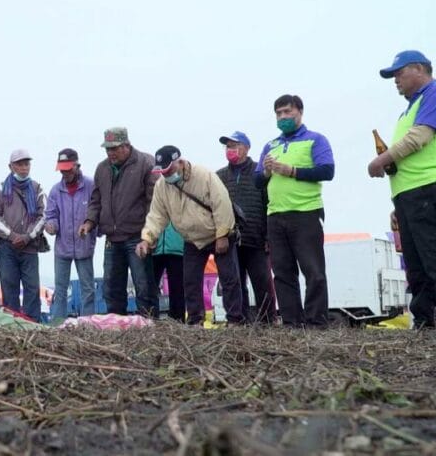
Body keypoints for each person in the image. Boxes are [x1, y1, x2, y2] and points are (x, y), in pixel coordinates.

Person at [368, 50, 436, 328]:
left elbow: (420, 137)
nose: (395, 80)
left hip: (432, 188)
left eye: (399, 73)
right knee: (417, 266)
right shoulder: (409, 110)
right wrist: (399, 202)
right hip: (411, 195)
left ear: (419, 69)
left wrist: (382, 159)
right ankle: (428, 322)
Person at [136, 146, 245, 326]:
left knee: (229, 278)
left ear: (179, 162)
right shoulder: (162, 186)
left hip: (217, 233)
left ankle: (235, 320)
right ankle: (195, 320)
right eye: (162, 171)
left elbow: (222, 203)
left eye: (168, 169)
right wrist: (147, 239)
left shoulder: (203, 176)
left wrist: (223, 235)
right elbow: (157, 216)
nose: (165, 174)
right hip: (192, 239)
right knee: (191, 281)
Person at [254, 95, 335, 328]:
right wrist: (267, 172)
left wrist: (292, 171)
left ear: (300, 112)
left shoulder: (316, 140)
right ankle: (291, 323)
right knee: (282, 273)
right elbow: (257, 181)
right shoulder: (270, 146)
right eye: (278, 113)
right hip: (275, 215)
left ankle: (316, 323)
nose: (283, 117)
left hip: (306, 212)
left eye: (287, 112)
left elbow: (327, 171)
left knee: (313, 271)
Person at [79, 127, 159, 318]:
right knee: (111, 289)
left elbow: (153, 203)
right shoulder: (102, 168)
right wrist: (89, 222)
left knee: (144, 286)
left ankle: (149, 325)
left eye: (114, 148)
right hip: (112, 239)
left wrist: (148, 236)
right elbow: (96, 200)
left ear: (126, 145)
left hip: (137, 237)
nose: (110, 153)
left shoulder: (146, 163)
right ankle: (117, 326)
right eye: (107, 149)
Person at [217, 131, 276, 324]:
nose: (230, 150)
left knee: (262, 282)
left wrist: (268, 236)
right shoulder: (219, 176)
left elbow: (269, 203)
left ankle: (268, 322)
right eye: (228, 146)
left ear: (246, 148)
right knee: (234, 283)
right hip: (231, 239)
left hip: (256, 238)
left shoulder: (259, 173)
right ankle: (240, 323)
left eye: (235, 146)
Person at [0, 149, 46, 322]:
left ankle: (32, 323)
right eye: (19, 164)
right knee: (9, 286)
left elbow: (44, 215)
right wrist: (12, 236)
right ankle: (11, 324)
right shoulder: (0, 188)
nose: (23, 168)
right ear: (11, 166)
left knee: (32, 287)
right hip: (7, 247)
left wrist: (28, 236)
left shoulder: (37, 188)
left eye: (26, 164)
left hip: (30, 246)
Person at [45, 148, 97, 319]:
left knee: (88, 289)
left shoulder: (90, 186)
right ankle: (58, 324)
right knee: (60, 290)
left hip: (84, 247)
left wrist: (91, 227)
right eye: (62, 169)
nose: (65, 173)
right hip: (63, 248)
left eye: (68, 169)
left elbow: (97, 210)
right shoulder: (55, 191)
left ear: (76, 166)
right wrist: (51, 226)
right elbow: (50, 215)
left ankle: (88, 324)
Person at [152, 223, 185, 322]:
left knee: (177, 291)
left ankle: (178, 323)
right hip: (153, 248)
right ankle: (150, 321)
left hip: (177, 247)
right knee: (149, 289)